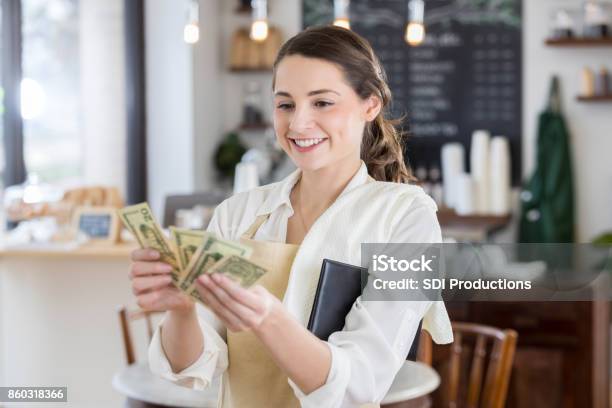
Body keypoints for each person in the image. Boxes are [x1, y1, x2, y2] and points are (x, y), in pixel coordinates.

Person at [128, 25, 453, 408]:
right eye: (285, 105)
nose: (298, 124)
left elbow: (360, 383)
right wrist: (181, 309)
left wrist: (268, 318)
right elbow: (192, 370)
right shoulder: (237, 213)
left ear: (371, 104)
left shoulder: (407, 218)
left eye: (322, 103)